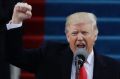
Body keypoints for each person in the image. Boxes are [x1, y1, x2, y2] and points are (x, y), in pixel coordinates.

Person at [6, 2, 120, 79]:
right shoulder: (48, 55)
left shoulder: (114, 68)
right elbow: (15, 56)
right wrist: (16, 21)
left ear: (95, 35)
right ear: (67, 36)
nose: (79, 38)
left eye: (85, 32)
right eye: (74, 33)